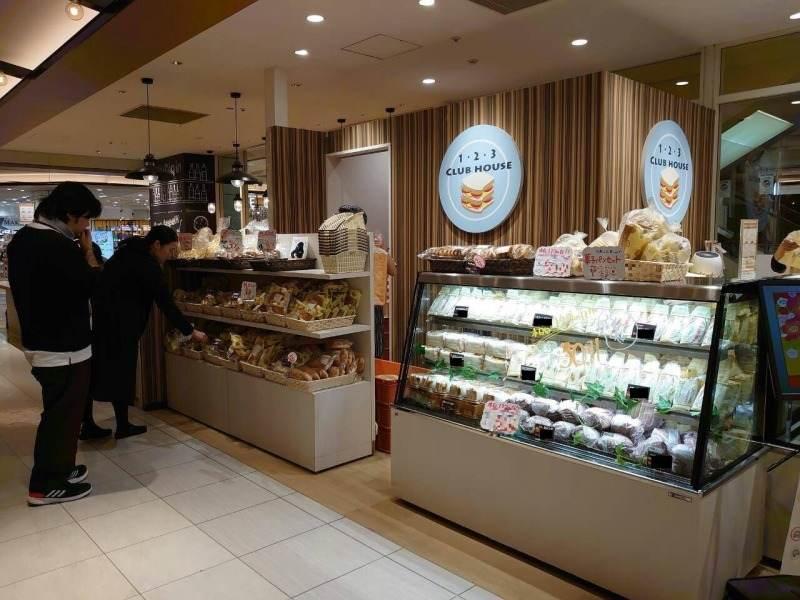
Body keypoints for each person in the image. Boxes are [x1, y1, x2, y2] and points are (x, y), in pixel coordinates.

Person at [7, 182, 101, 505]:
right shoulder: (58, 246)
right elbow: (91, 285)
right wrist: (88, 254)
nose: (85, 227)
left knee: (60, 412)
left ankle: (61, 467)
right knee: (62, 417)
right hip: (64, 348)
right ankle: (45, 485)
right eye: (85, 219)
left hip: (42, 342)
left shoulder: (23, 239)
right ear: (70, 214)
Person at [84, 226, 207, 439]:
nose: (170, 256)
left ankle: (88, 425)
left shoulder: (124, 252)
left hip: (103, 322)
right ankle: (122, 426)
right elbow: (165, 303)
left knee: (95, 374)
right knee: (122, 375)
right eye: (169, 250)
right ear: (157, 245)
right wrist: (190, 331)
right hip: (124, 326)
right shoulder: (148, 266)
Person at [338, 205, 396, 358]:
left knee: (350, 346)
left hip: (346, 305)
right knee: (373, 347)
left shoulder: (337, 248)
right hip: (371, 303)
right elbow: (393, 270)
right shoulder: (378, 251)